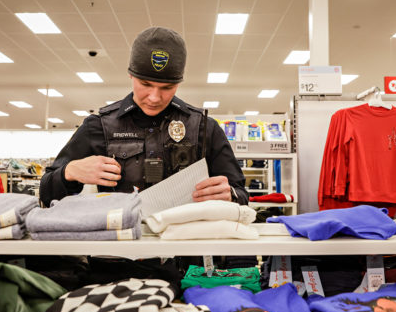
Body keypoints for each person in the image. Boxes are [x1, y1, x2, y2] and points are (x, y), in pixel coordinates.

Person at [40, 26, 248, 208]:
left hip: (184, 240)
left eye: (167, 87)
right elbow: (46, 193)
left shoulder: (204, 127)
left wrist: (230, 194)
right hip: (121, 239)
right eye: (145, 84)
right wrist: (70, 171)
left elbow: (241, 194)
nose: (155, 97)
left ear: (179, 83)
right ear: (131, 75)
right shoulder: (98, 126)